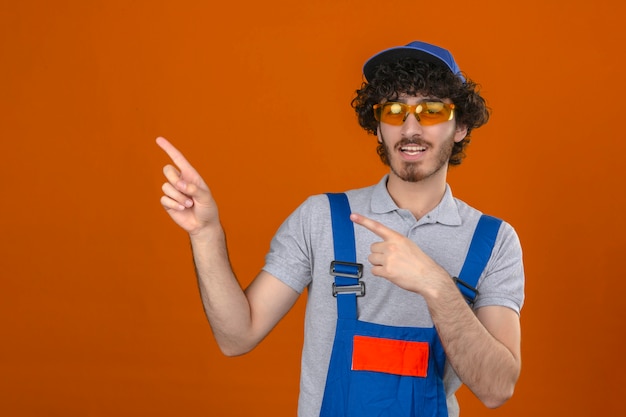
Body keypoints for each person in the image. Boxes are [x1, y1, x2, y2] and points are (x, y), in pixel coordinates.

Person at [157, 40, 524, 417]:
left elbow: (496, 388)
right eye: (395, 110)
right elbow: (237, 336)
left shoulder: (495, 242)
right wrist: (206, 233)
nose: (410, 128)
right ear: (379, 128)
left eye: (431, 110)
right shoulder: (321, 219)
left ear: (460, 126)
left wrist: (435, 284)